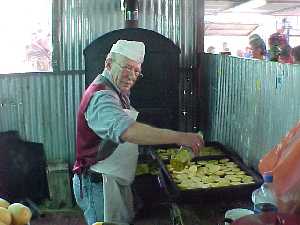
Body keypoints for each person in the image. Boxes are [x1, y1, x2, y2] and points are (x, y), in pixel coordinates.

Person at [72, 40, 204, 225]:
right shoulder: (101, 96)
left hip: (114, 180)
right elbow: (126, 130)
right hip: (99, 184)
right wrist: (180, 137)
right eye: (126, 67)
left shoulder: (118, 90)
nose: (131, 76)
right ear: (108, 63)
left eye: (136, 71)